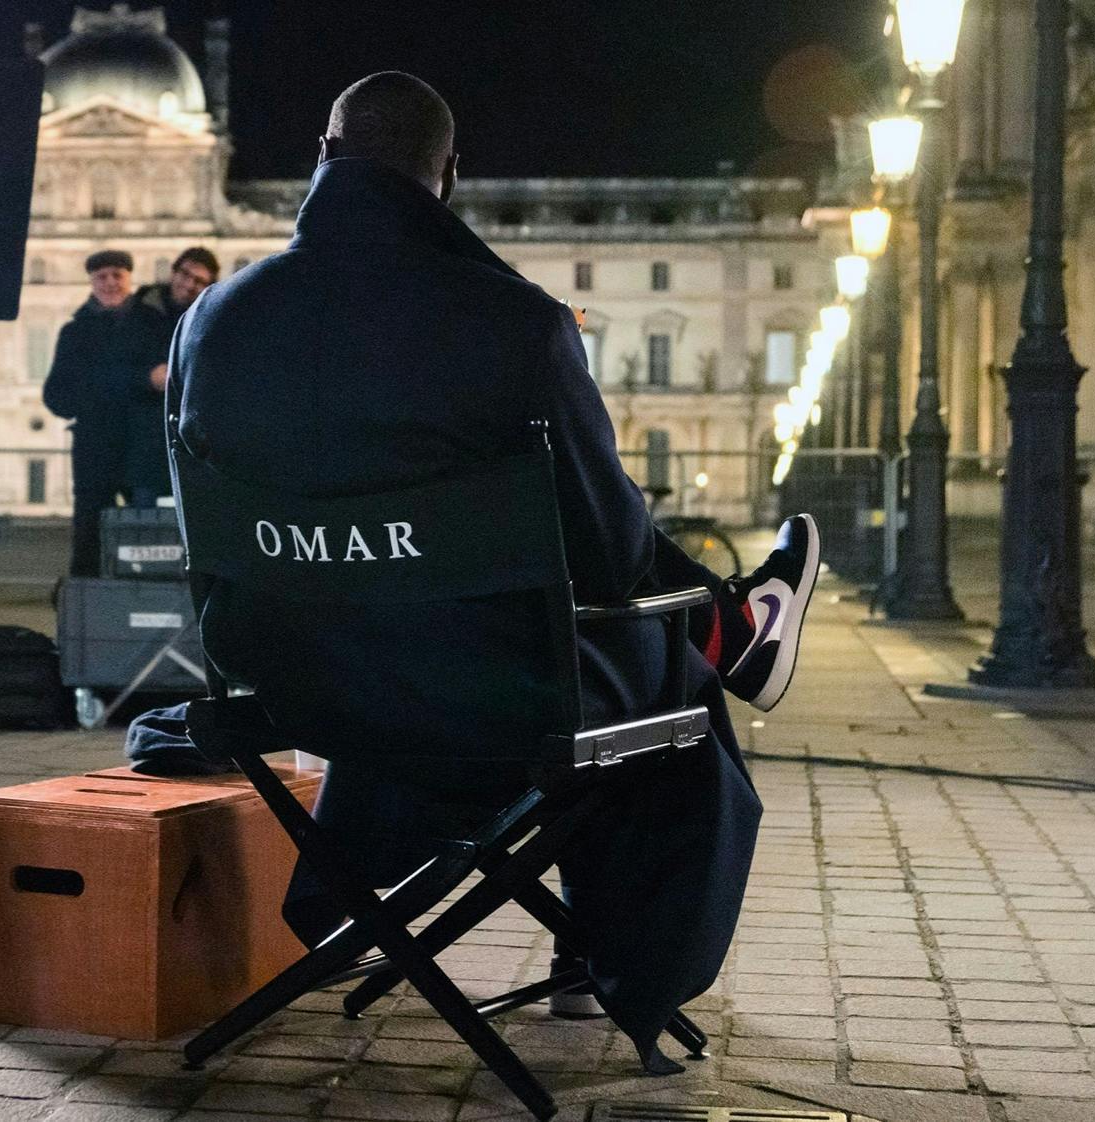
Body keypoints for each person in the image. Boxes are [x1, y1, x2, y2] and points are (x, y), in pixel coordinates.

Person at [163, 72, 819, 1071]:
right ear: (450, 177)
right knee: (658, 678)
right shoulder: (517, 323)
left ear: (323, 155)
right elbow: (609, 557)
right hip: (489, 696)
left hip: (290, 685)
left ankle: (734, 632)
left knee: (461, 644)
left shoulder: (210, 319)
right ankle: (615, 951)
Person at [44, 249, 158, 576]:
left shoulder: (151, 324)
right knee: (89, 533)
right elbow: (55, 395)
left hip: (140, 445)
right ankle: (87, 602)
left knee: (147, 535)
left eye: (116, 275)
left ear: (129, 279)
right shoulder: (75, 331)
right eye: (102, 277)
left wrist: (94, 389)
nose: (109, 283)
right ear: (92, 282)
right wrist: (136, 381)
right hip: (99, 445)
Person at [125, 247, 220, 507]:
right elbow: (115, 368)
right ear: (173, 272)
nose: (189, 284)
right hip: (144, 442)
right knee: (144, 530)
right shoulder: (138, 312)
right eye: (185, 274)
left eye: (199, 281)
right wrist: (147, 378)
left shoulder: (210, 320)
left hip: (190, 444)